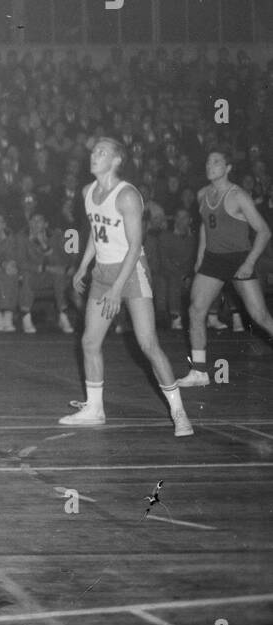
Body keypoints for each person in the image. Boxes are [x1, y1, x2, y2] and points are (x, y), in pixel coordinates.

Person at [59, 138, 193, 437]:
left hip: (131, 271)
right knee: (89, 342)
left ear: (117, 160)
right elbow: (97, 232)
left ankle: (179, 411)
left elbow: (135, 247)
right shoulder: (87, 192)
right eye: (93, 151)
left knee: (148, 343)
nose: (94, 155)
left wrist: (117, 289)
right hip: (103, 271)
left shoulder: (128, 195)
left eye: (102, 152)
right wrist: (83, 265)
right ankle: (94, 409)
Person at [177, 149, 273, 386]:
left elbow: (264, 231)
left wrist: (249, 263)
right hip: (213, 259)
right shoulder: (203, 194)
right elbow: (204, 227)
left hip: (239, 259)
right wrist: (200, 258)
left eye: (217, 162)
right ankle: (199, 372)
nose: (210, 165)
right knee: (195, 310)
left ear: (228, 168)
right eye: (209, 161)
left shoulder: (238, 195)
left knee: (259, 316)